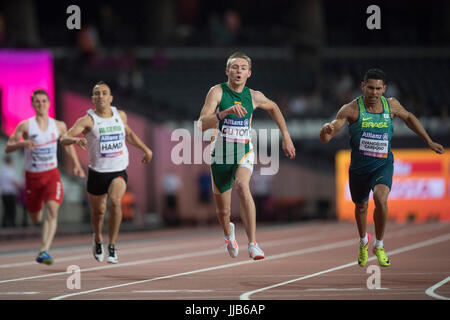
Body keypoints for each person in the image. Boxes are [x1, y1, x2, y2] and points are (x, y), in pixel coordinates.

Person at [319, 69, 445, 267]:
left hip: (383, 165)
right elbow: (327, 136)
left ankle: (379, 244)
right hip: (359, 169)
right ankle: (363, 241)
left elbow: (409, 117)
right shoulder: (351, 109)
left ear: (384, 89)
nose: (374, 92)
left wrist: (428, 141)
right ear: (363, 86)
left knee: (380, 199)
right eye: (370, 88)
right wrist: (325, 130)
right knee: (361, 207)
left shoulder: (391, 105)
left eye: (378, 88)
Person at [197, 52, 296, 260]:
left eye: (243, 68)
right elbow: (201, 124)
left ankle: (253, 244)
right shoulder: (216, 92)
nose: (238, 71)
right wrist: (223, 113)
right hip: (220, 155)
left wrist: (286, 136)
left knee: (243, 186)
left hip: (243, 150)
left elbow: (274, 108)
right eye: (234, 67)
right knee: (223, 212)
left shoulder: (254, 96)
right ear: (227, 71)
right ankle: (228, 235)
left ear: (249, 73)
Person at [60, 81, 153, 264]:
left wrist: (146, 149)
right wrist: (75, 141)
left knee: (116, 202)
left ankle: (112, 245)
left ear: (110, 98)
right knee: (99, 212)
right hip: (97, 173)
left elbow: (130, 135)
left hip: (118, 170)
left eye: (104, 93)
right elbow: (64, 138)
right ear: (93, 99)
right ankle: (97, 239)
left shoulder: (121, 116)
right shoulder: (87, 120)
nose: (101, 96)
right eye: (97, 93)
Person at [5, 89, 85, 265]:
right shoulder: (25, 126)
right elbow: (8, 147)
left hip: (51, 175)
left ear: (49, 103)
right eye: (37, 101)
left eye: (43, 101)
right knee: (36, 218)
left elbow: (68, 145)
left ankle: (44, 250)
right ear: (33, 104)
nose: (41, 104)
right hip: (32, 177)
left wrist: (77, 165)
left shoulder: (59, 126)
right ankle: (41, 235)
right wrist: (24, 143)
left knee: (52, 210)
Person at [0, 156, 21, 228]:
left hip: (4, 193)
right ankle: (10, 225)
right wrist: (20, 186)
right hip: (9, 193)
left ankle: (5, 224)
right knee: (11, 210)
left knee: (6, 210)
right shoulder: (8, 170)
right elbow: (14, 181)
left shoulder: (3, 170)